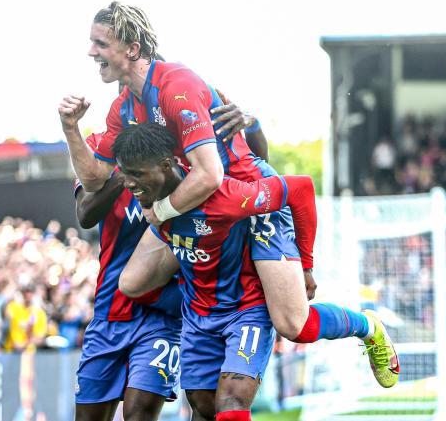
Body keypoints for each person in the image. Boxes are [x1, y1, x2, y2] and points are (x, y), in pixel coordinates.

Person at [57, 1, 326, 356]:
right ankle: (220, 310)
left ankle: (365, 326)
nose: (91, 52)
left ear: (133, 49)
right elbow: (94, 183)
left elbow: (213, 174)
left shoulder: (177, 86)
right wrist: (71, 129)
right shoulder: (123, 108)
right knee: (132, 283)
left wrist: (161, 212)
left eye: (100, 44)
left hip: (244, 198)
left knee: (293, 325)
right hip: (196, 203)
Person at [113, 123, 400, 420]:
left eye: (136, 174)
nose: (128, 183)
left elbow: (300, 188)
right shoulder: (152, 202)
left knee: (235, 397)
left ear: (166, 165)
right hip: (200, 314)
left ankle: (367, 326)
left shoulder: (226, 196)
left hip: (245, 307)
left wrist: (306, 264)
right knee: (203, 406)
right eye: (125, 173)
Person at [72, 132, 182, 421]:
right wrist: (126, 170)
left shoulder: (180, 146)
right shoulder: (98, 148)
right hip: (110, 313)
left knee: (139, 414)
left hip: (161, 317)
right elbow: (85, 215)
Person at [3, 284, 47, 353]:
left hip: (28, 352)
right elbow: (6, 315)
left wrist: (23, 344)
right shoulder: (14, 307)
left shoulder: (39, 313)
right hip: (10, 349)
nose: (28, 294)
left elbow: (39, 337)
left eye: (30, 292)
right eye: (26, 292)